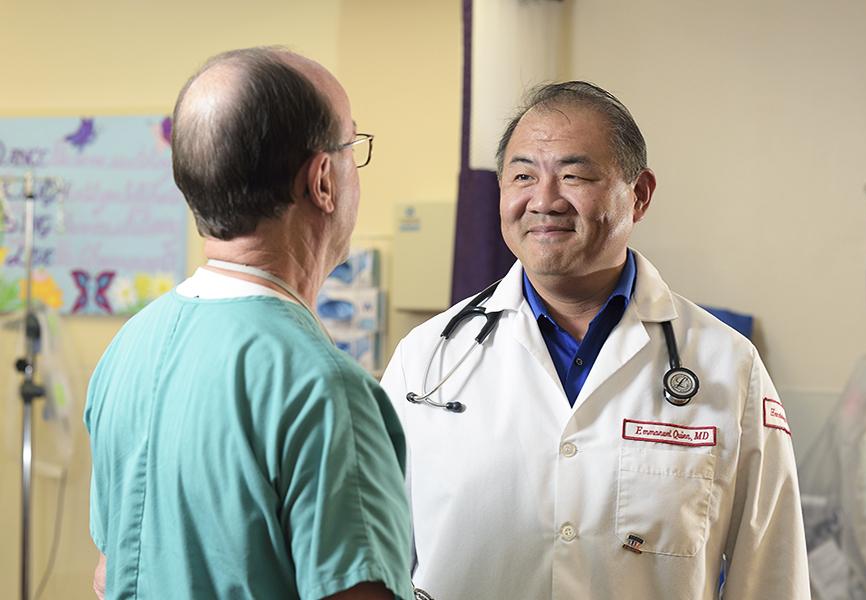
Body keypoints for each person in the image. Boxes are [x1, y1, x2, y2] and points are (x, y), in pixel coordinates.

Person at [380, 81, 811, 599]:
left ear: (640, 195)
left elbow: (771, 571)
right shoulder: (427, 357)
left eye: (574, 176)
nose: (544, 201)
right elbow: (375, 555)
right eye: (522, 176)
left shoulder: (728, 365)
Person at [84, 47, 413, 600]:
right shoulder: (324, 390)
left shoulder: (129, 348)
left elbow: (109, 574)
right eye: (352, 147)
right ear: (323, 180)